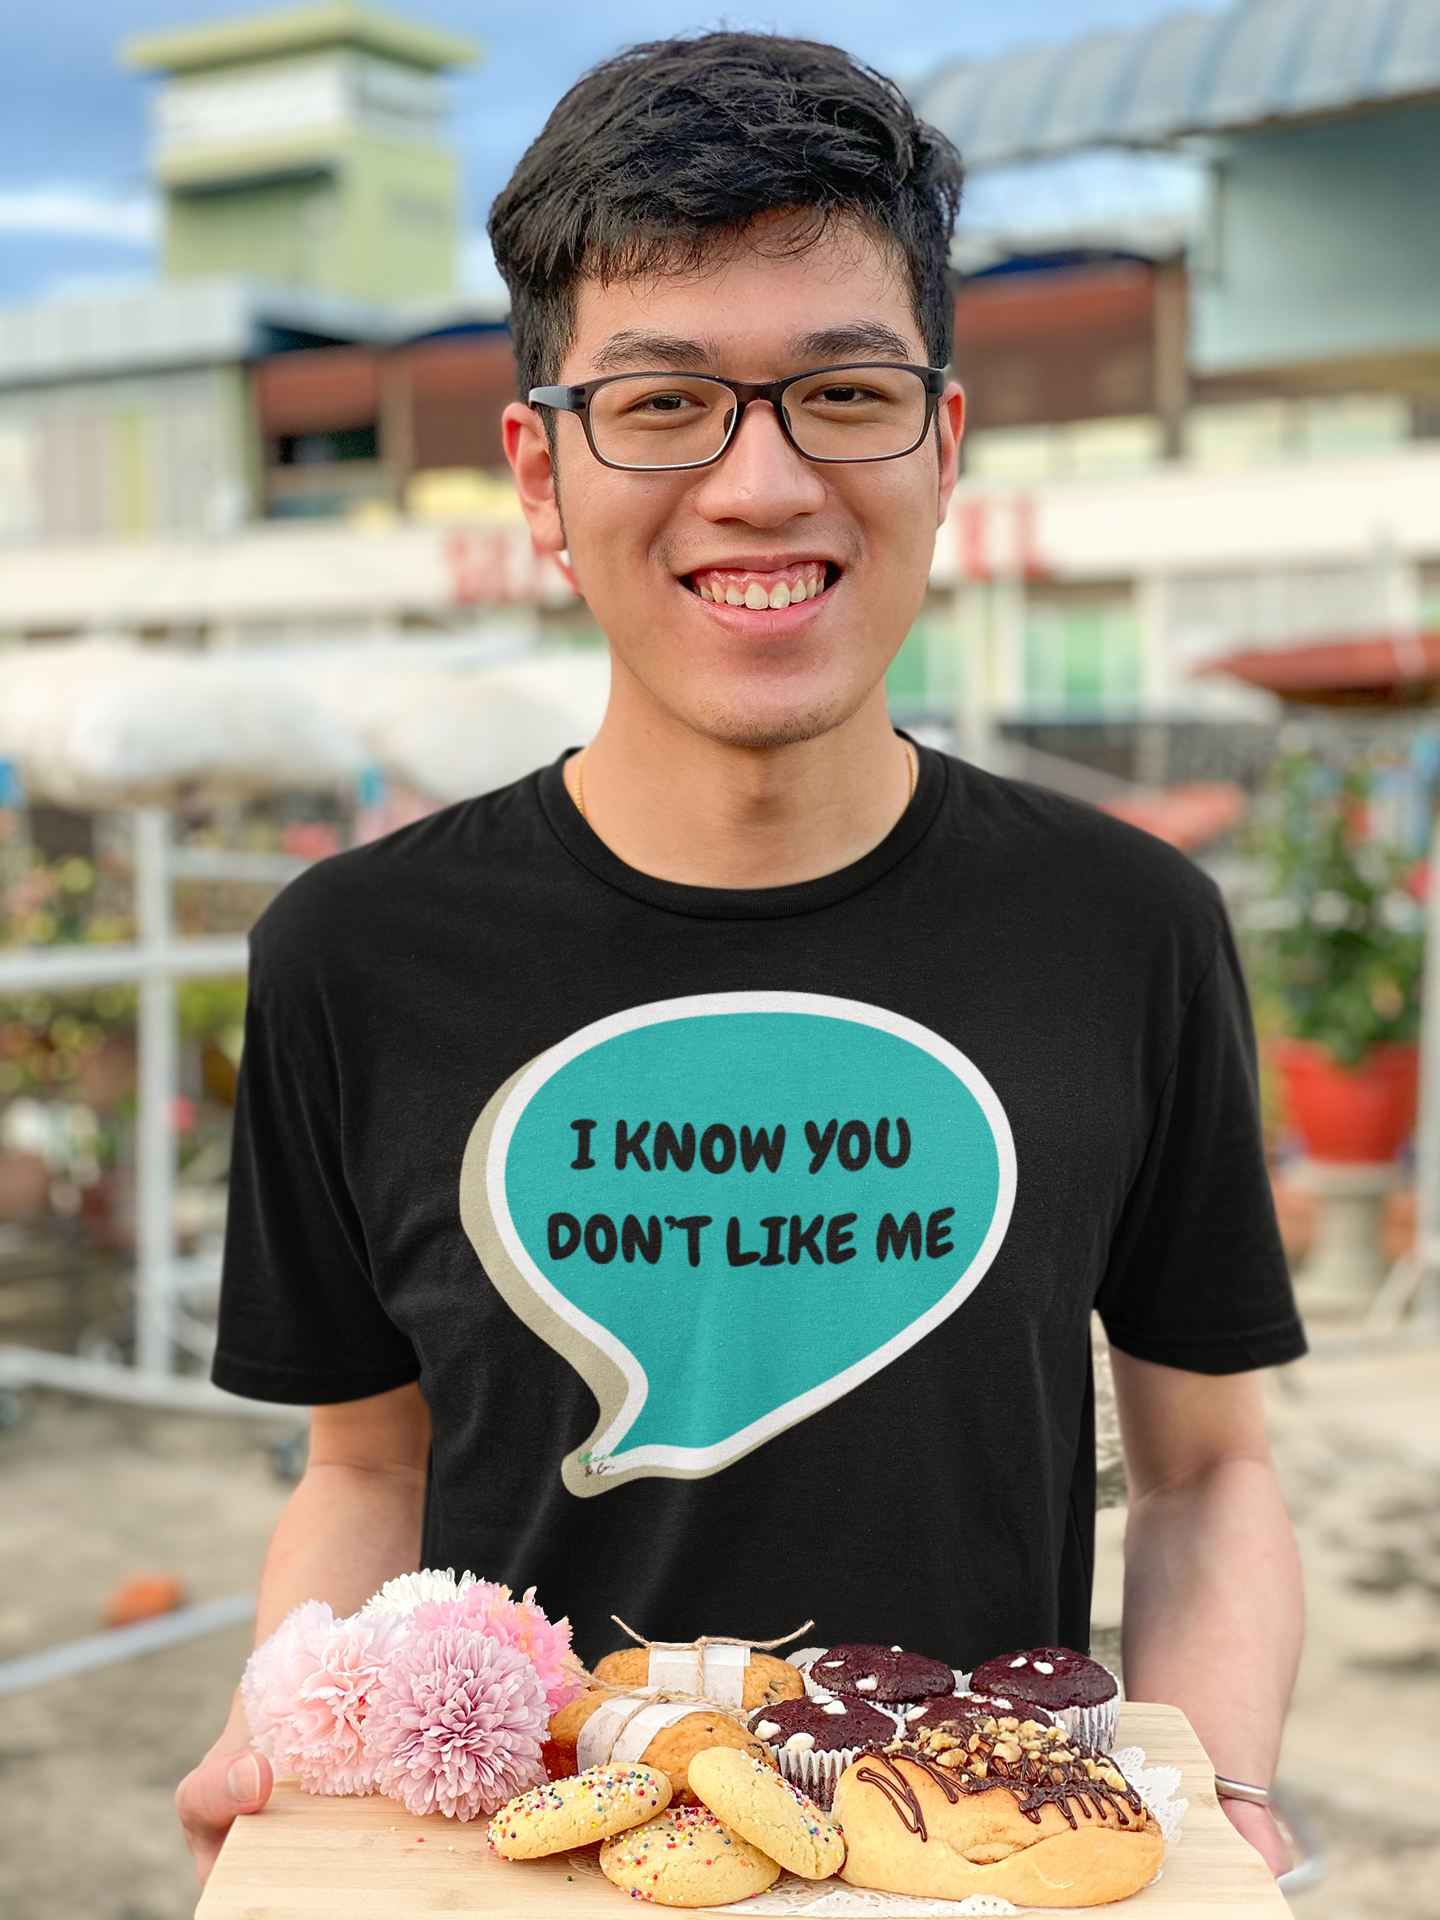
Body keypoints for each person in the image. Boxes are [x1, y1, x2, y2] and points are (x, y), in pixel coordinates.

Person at [177, 32, 1304, 1886]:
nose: (762, 483)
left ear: (944, 445)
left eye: (844, 393)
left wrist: (1225, 1811)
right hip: (509, 1868)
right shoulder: (352, 956)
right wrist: (283, 1728)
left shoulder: (1127, 927)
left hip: (969, 1868)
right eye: (664, 402)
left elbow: (1208, 1471)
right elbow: (368, 1469)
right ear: (540, 474)